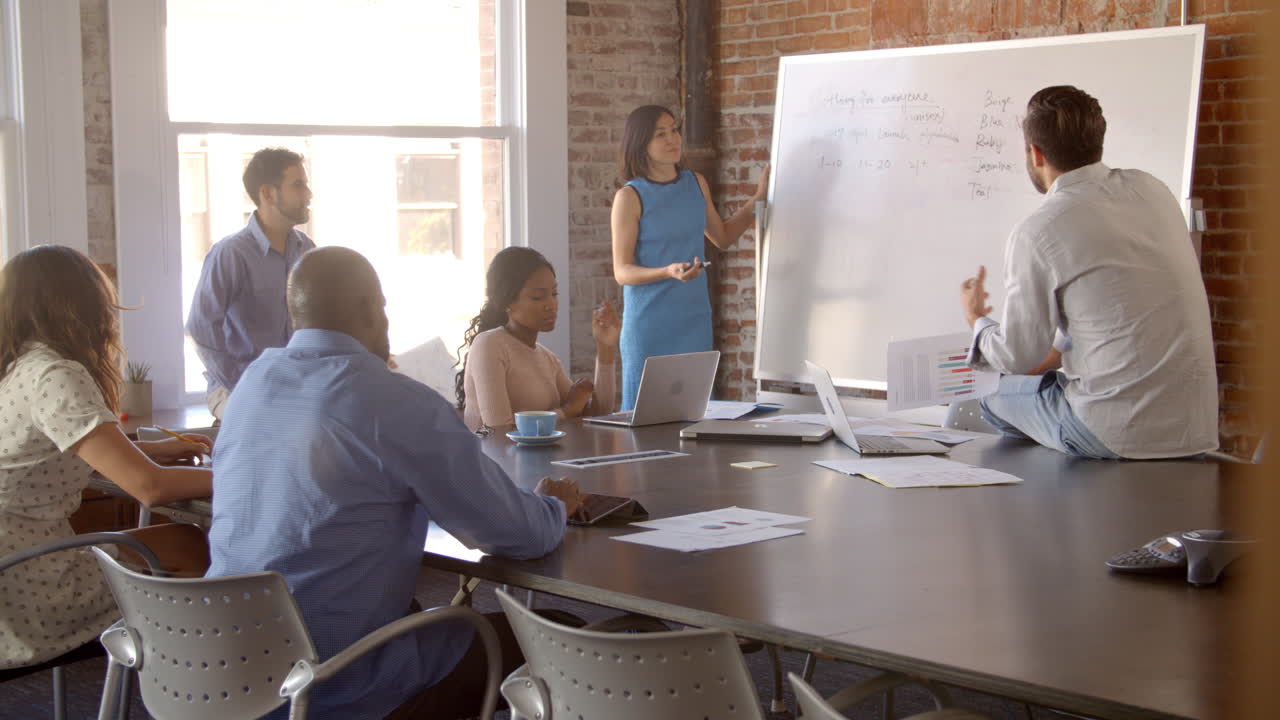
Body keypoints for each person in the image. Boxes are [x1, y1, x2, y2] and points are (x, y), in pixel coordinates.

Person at [206, 246, 584, 719]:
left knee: (415, 613)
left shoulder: (253, 382)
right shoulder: (393, 401)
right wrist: (551, 506)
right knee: (566, 636)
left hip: (221, 669)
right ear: (374, 308)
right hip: (334, 683)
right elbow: (514, 533)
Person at [960, 85, 1217, 459]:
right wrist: (1057, 352)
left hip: (1115, 432)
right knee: (1046, 381)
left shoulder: (1039, 229)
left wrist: (977, 321)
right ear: (1097, 141)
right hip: (1194, 429)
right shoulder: (1153, 190)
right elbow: (1115, 298)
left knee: (990, 396)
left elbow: (1017, 356)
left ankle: (1045, 497)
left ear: (1035, 153)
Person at [0, 246, 213, 669]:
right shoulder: (55, 374)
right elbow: (150, 488)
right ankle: (197, 690)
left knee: (171, 544)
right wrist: (246, 474)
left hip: (11, 578)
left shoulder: (19, 368)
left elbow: (64, 452)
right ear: (78, 307)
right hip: (28, 592)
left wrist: (151, 449)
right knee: (189, 544)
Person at [610, 105, 769, 409]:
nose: (673, 139)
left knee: (694, 416)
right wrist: (667, 271)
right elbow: (622, 271)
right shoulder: (629, 197)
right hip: (650, 323)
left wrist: (758, 199)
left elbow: (721, 237)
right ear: (641, 142)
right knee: (647, 418)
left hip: (694, 319)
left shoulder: (695, 182)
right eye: (661, 134)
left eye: (674, 129)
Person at [186, 147, 316, 419]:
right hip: (235, 387)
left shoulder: (307, 250)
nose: (308, 194)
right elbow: (201, 328)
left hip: (292, 385)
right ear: (267, 193)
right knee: (270, 422)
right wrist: (242, 385)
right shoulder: (231, 253)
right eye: (298, 184)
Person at [457, 246, 620, 432]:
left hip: (536, 460)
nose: (551, 305)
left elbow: (598, 414)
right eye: (537, 297)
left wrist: (605, 348)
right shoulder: (488, 345)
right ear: (507, 302)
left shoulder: (545, 357)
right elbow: (499, 430)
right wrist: (566, 411)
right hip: (492, 460)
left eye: (554, 294)